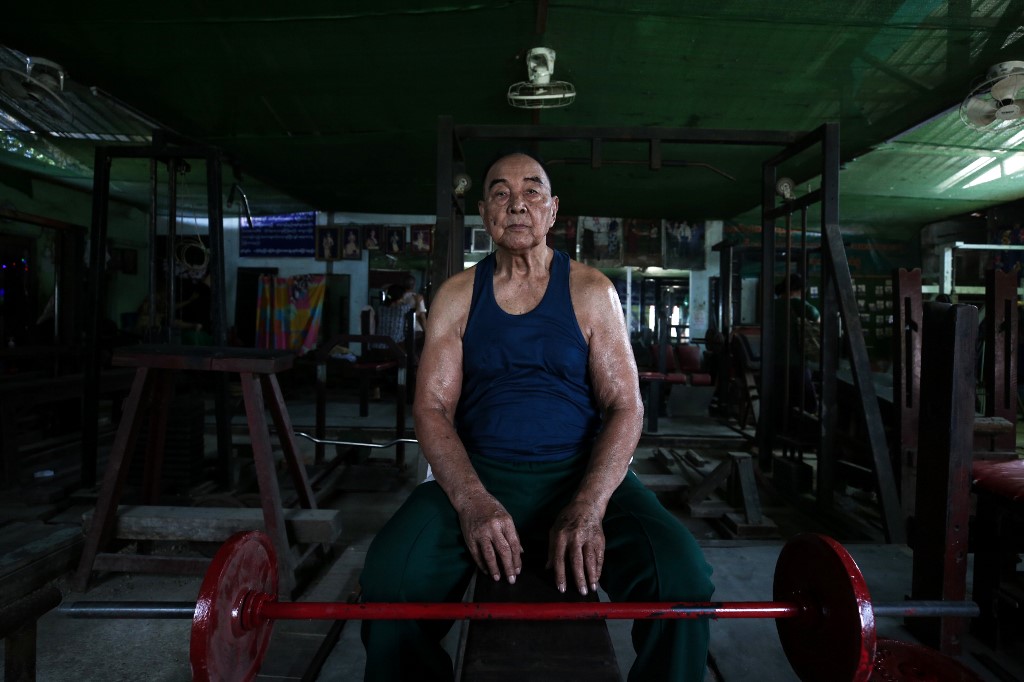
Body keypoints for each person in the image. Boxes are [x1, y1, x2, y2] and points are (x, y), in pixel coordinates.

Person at [359, 152, 714, 681]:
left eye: (532, 192)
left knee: (683, 577)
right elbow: (431, 408)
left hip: (581, 475)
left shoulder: (592, 290)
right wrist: (473, 500)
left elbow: (626, 405)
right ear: (485, 212)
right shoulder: (457, 295)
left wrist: (591, 506)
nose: (517, 203)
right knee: (389, 580)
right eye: (501, 193)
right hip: (480, 476)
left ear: (552, 211)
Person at [772, 273, 820, 423]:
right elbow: (816, 316)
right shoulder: (800, 306)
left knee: (776, 403)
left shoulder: (772, 305)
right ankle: (801, 437)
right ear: (799, 289)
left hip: (774, 362)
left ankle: (771, 437)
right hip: (796, 361)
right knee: (808, 404)